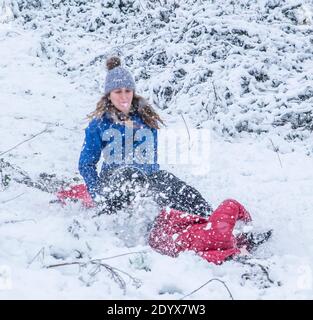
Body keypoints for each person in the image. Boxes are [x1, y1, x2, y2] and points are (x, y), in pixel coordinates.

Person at [77, 56, 213, 216]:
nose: (123, 96)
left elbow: (148, 159)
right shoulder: (99, 124)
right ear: (109, 95)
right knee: (129, 174)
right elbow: (86, 164)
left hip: (149, 177)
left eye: (127, 91)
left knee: (174, 185)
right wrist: (98, 193)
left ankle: (211, 221)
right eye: (117, 92)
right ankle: (110, 219)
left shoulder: (146, 117)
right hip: (114, 180)